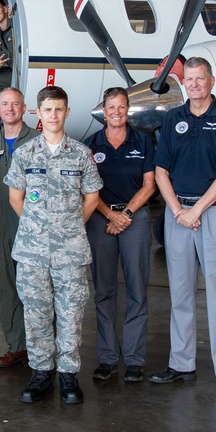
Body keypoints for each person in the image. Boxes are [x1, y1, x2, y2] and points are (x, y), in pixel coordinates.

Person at [149, 56, 216, 397]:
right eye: (189, 79)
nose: (194, 85)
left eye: (200, 79)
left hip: (214, 214)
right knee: (180, 293)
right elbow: (161, 170)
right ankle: (181, 363)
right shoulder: (173, 118)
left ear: (211, 81)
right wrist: (178, 210)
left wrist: (197, 210)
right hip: (179, 216)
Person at [4, 85, 102, 405]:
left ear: (67, 112)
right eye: (48, 110)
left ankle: (68, 373)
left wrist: (69, 225)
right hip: (32, 250)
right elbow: (15, 198)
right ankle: (42, 371)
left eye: (59, 109)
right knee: (36, 313)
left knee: (70, 312)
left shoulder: (80, 153)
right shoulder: (24, 154)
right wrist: (38, 225)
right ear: (39, 114)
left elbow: (92, 197)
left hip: (70, 249)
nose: (54, 115)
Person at [85, 87, 156, 384]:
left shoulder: (143, 140)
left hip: (134, 217)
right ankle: (108, 358)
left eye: (121, 107)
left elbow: (149, 184)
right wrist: (109, 214)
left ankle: (135, 359)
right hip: (101, 218)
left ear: (128, 110)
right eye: (111, 107)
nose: (116, 112)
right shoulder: (90, 144)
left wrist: (125, 214)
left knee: (137, 289)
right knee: (104, 291)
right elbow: (87, 187)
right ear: (104, 110)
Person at [0, 87, 38, 368]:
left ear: (24, 108)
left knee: (37, 287)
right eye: (5, 104)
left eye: (15, 104)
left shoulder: (38, 141)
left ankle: (41, 345)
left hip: (33, 226)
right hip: (1, 224)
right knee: (6, 287)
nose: (10, 109)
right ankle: (17, 346)